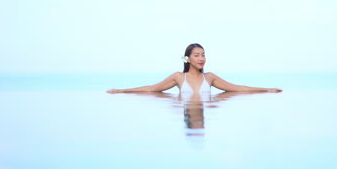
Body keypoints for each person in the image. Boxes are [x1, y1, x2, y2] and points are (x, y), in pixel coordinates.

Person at [106, 43, 283, 94]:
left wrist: (266, 89)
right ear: (188, 59)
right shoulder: (178, 77)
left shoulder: (210, 78)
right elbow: (152, 89)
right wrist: (122, 91)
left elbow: (236, 88)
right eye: (197, 55)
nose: (201, 59)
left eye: (203, 55)